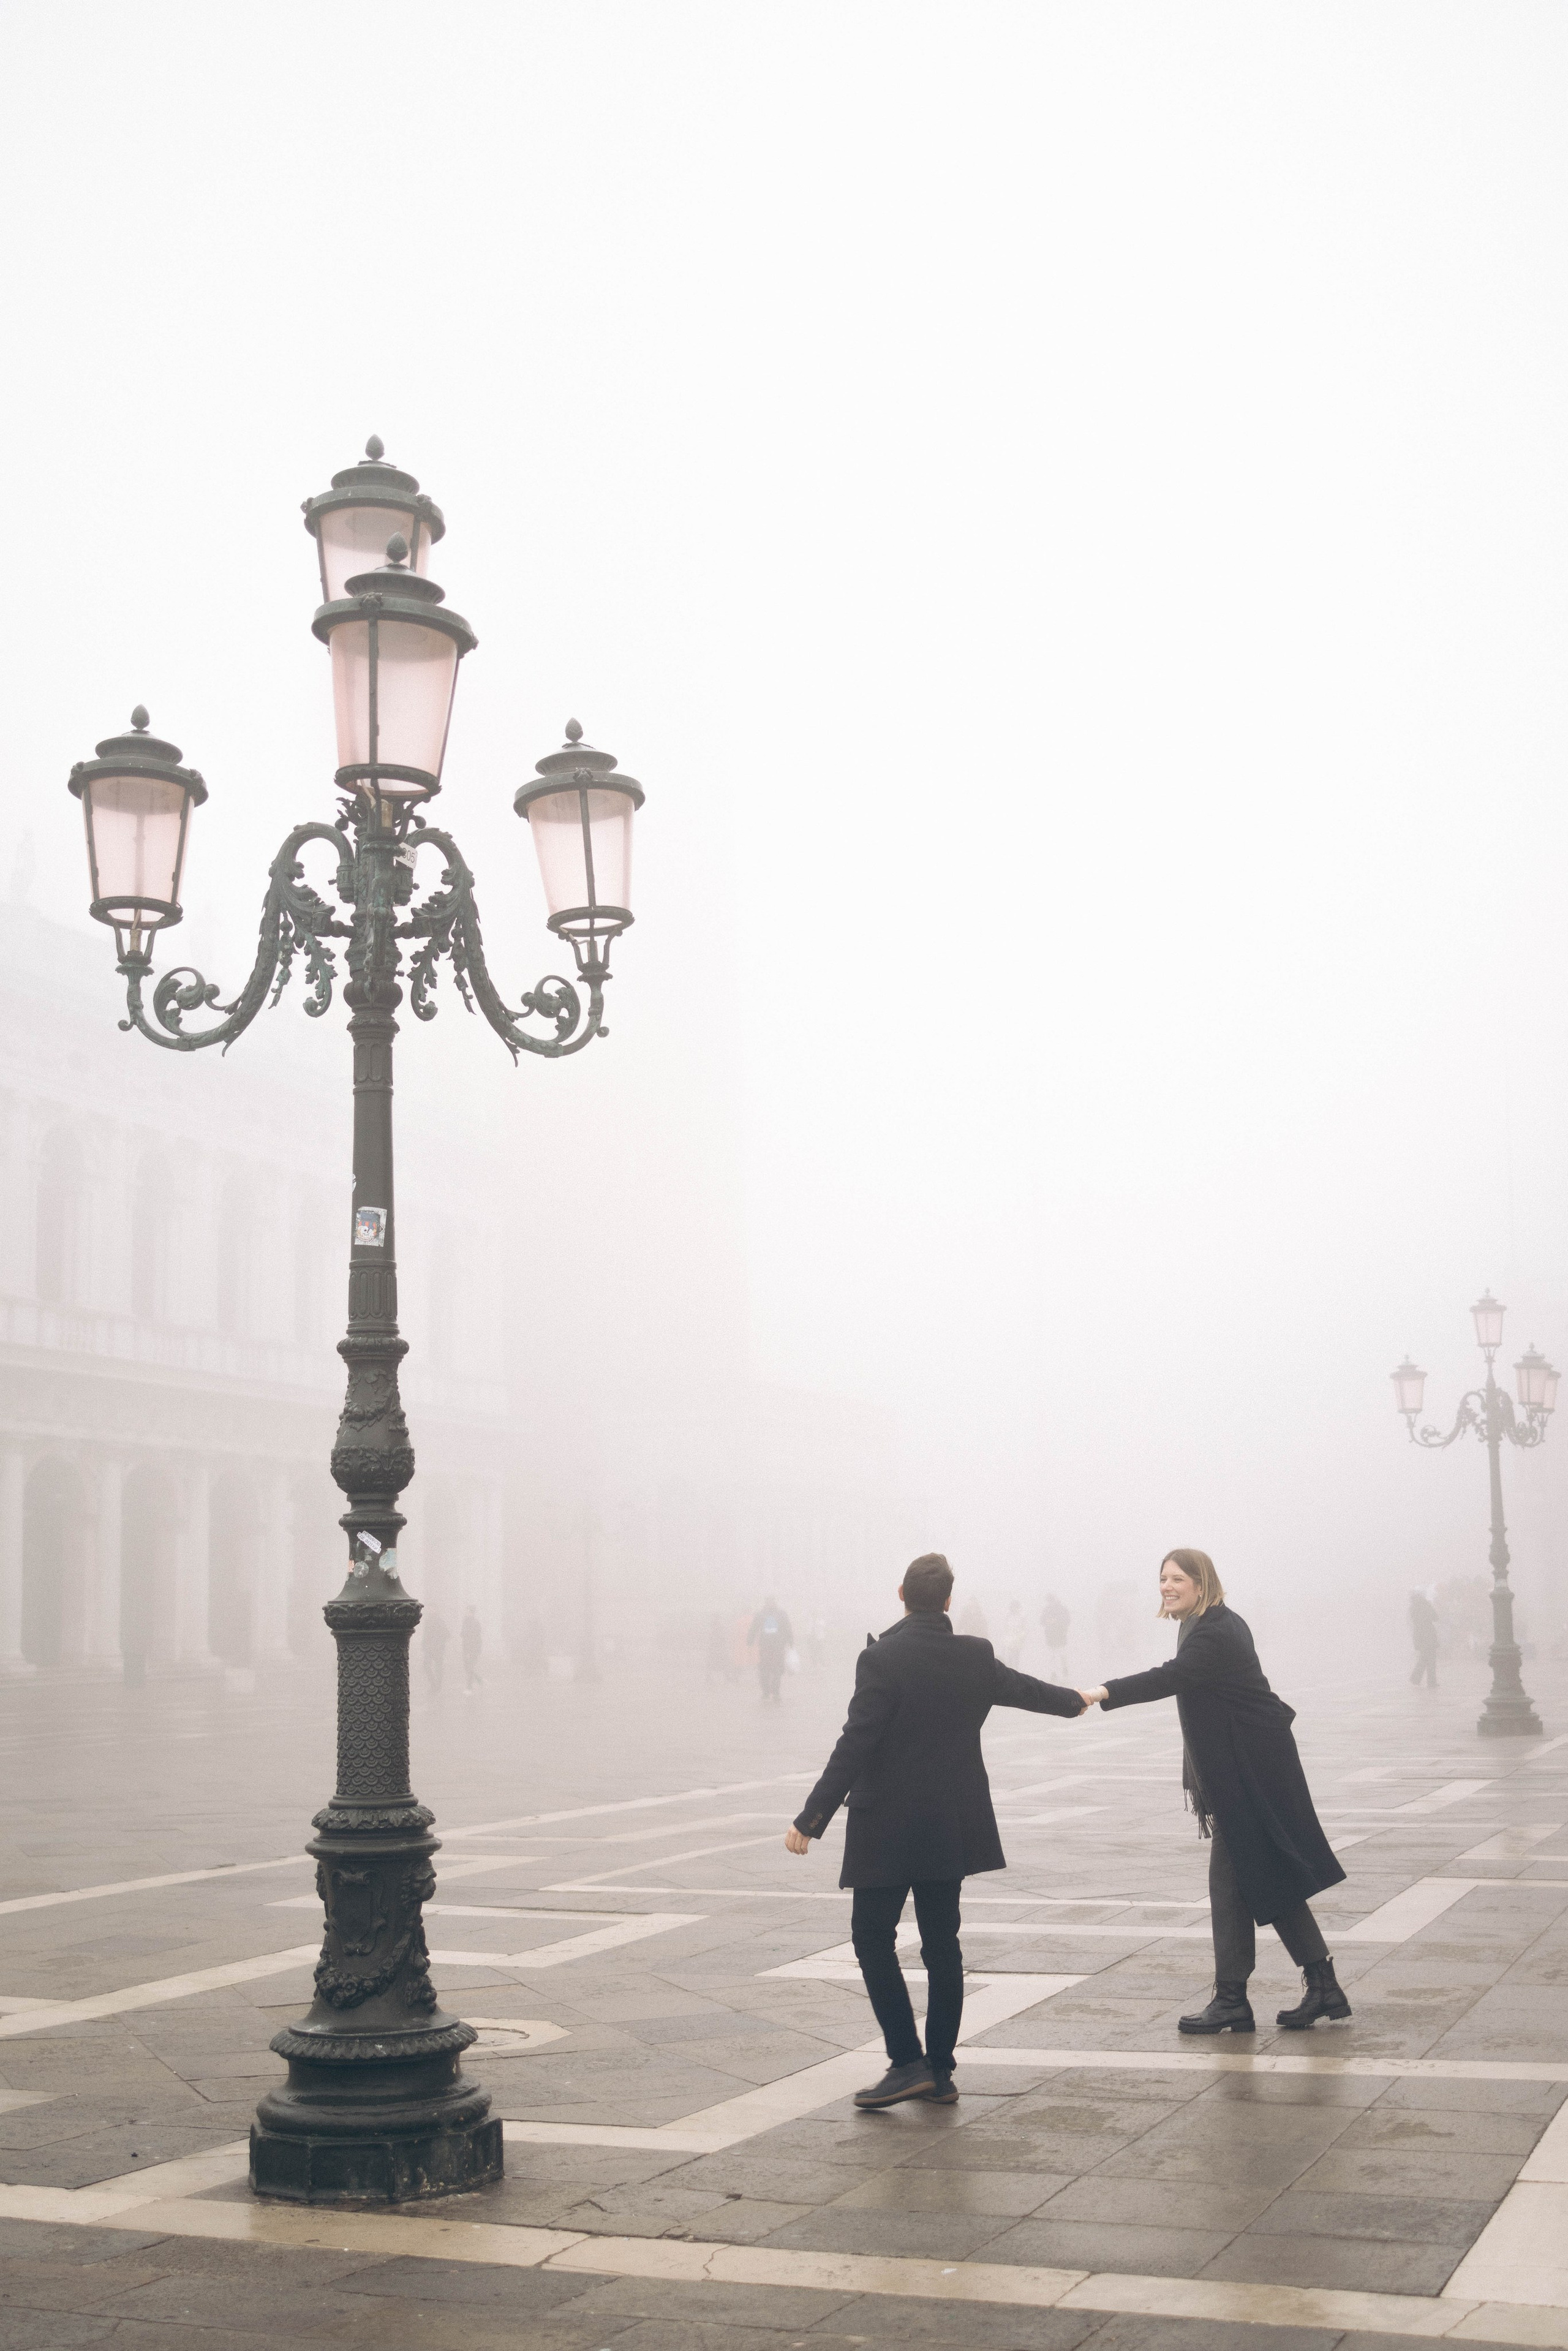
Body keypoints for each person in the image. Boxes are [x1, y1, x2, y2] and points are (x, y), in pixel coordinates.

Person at [785, 1551, 1087, 2108]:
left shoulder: (882, 1659)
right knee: (942, 1945)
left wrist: (813, 1816)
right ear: (949, 1600)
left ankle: (906, 2062)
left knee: (873, 1939)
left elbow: (858, 1739)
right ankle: (941, 2071)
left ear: (901, 1594)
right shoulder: (975, 1655)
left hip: (887, 1826)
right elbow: (1028, 1691)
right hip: (950, 1822)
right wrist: (1077, 1701)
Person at [1078, 1549, 1350, 2036]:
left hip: (1253, 1772)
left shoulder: (1216, 1631)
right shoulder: (1202, 1624)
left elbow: (1169, 1678)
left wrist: (1103, 1692)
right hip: (1242, 1769)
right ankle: (1321, 1984)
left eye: (1177, 1578)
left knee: (1230, 1885)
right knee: (1267, 1876)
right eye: (1162, 1578)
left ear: (1202, 1585)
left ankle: (1232, 2000)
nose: (1166, 1586)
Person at [749, 1594, 793, 1702]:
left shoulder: (780, 1614)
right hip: (766, 1647)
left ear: (775, 1602)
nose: (771, 1603)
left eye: (772, 1601)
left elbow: (787, 1628)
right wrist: (750, 1639)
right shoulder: (762, 1615)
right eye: (769, 1601)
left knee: (777, 1670)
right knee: (764, 1670)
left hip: (778, 1647)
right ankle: (766, 1692)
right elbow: (754, 1627)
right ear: (766, 1602)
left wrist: (790, 1641)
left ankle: (776, 1692)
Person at [1409, 1588, 1439, 1688]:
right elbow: (1435, 1617)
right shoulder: (1426, 1605)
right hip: (1428, 1634)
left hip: (1419, 1635)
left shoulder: (1413, 1608)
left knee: (1424, 1657)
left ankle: (1416, 1678)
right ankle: (1430, 1681)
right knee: (1430, 1659)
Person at [1039, 1594, 1069, 1677]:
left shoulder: (1062, 1609)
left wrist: (1057, 1622)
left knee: (1062, 1653)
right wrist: (1047, 1622)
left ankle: (1064, 1668)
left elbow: (1067, 1621)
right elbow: (1042, 1621)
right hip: (1050, 1635)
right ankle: (1054, 1672)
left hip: (1060, 1634)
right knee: (1052, 1655)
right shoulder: (1047, 1610)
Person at [423, 1607, 450, 1696]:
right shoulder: (428, 1621)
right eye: (431, 1609)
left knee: (438, 1667)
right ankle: (434, 1684)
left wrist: (440, 1643)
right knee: (427, 1665)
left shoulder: (440, 1622)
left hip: (437, 1648)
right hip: (429, 1648)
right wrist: (424, 1644)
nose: (432, 1611)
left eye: (434, 1609)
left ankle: (438, 1686)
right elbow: (426, 1634)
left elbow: (447, 1634)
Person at [461, 1604, 483, 1693]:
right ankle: (479, 1680)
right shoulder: (465, 1622)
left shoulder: (475, 1623)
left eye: (468, 1611)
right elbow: (464, 1635)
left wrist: (472, 1649)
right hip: (467, 1648)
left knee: (470, 1667)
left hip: (473, 1648)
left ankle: (469, 1688)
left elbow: (475, 1637)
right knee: (467, 1667)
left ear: (472, 1613)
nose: (466, 1613)